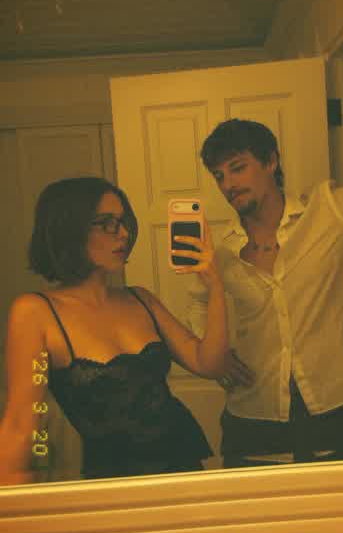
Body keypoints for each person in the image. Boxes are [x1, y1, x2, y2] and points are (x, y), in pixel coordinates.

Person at [187, 18, 343, 468]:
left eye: (238, 167)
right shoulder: (220, 251)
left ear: (271, 161)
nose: (227, 184)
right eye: (219, 175)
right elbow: (197, 302)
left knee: (332, 509)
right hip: (249, 415)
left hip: (328, 408)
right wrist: (215, 357)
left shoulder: (331, 213)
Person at [0, 176, 230, 484]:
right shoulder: (35, 312)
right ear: (69, 229)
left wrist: (215, 287)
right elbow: (20, 425)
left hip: (183, 471)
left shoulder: (140, 299)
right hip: (113, 482)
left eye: (123, 222)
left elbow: (210, 364)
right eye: (106, 223)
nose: (123, 234)